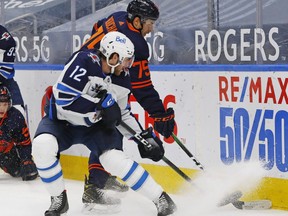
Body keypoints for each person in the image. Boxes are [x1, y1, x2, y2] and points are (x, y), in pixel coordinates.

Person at [32, 31, 177, 216]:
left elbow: (123, 115)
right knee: (42, 145)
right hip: (62, 122)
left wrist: (142, 137)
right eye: (126, 60)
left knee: (114, 159)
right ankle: (58, 200)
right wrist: (99, 105)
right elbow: (63, 98)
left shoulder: (123, 80)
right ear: (112, 57)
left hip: (95, 128)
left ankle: (161, 198)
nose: (128, 66)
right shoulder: (84, 61)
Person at [80, 0, 176, 199]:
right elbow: (142, 87)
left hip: (81, 72)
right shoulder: (137, 45)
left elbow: (97, 26)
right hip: (92, 84)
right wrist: (159, 114)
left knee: (112, 125)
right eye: (150, 23)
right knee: (111, 127)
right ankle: (95, 186)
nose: (151, 29)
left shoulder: (118, 18)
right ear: (138, 21)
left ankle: (99, 178)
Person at [0, 86, 38, 180]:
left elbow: (24, 142)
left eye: (5, 104)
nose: (2, 108)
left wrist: (26, 159)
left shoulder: (15, 117)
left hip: (5, 153)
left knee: (24, 172)